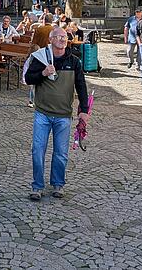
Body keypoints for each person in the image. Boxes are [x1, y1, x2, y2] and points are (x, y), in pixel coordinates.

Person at [24, 27, 90, 200]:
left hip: (63, 115)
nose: (62, 39)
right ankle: (37, 186)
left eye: (65, 37)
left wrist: (84, 110)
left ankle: (58, 185)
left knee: (61, 153)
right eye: (58, 37)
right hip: (42, 113)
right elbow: (28, 79)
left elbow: (81, 86)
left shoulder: (74, 61)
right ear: (51, 39)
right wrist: (43, 73)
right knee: (38, 150)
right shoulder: (41, 59)